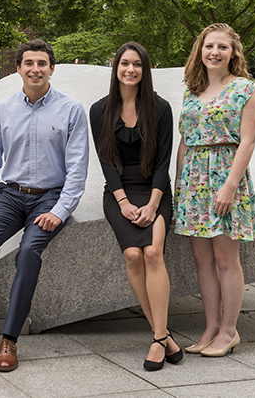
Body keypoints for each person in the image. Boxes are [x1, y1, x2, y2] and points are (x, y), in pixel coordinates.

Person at [0, 39, 89, 372]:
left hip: (50, 197)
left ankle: (10, 339)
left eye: (42, 63)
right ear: (18, 68)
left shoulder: (71, 110)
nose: (35, 69)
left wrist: (59, 211)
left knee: (27, 252)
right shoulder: (3, 109)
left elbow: (78, 169)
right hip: (9, 195)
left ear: (52, 68)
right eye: (28, 63)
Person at [89, 42, 182, 371]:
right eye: (124, 63)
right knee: (132, 254)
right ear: (115, 68)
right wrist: (124, 202)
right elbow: (107, 164)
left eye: (137, 64)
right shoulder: (99, 110)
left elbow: (163, 162)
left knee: (153, 253)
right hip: (119, 193)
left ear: (145, 70)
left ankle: (158, 339)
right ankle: (164, 335)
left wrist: (153, 203)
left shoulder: (161, 108)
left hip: (155, 190)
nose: (130, 69)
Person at [175, 23, 255, 357]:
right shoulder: (191, 91)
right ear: (200, 50)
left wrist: (229, 186)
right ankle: (210, 327)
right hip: (194, 182)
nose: (214, 52)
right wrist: (180, 184)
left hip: (227, 178)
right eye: (209, 46)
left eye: (222, 47)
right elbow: (185, 140)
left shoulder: (245, 90)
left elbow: (248, 141)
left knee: (226, 259)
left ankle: (229, 331)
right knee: (202, 260)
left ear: (233, 53)